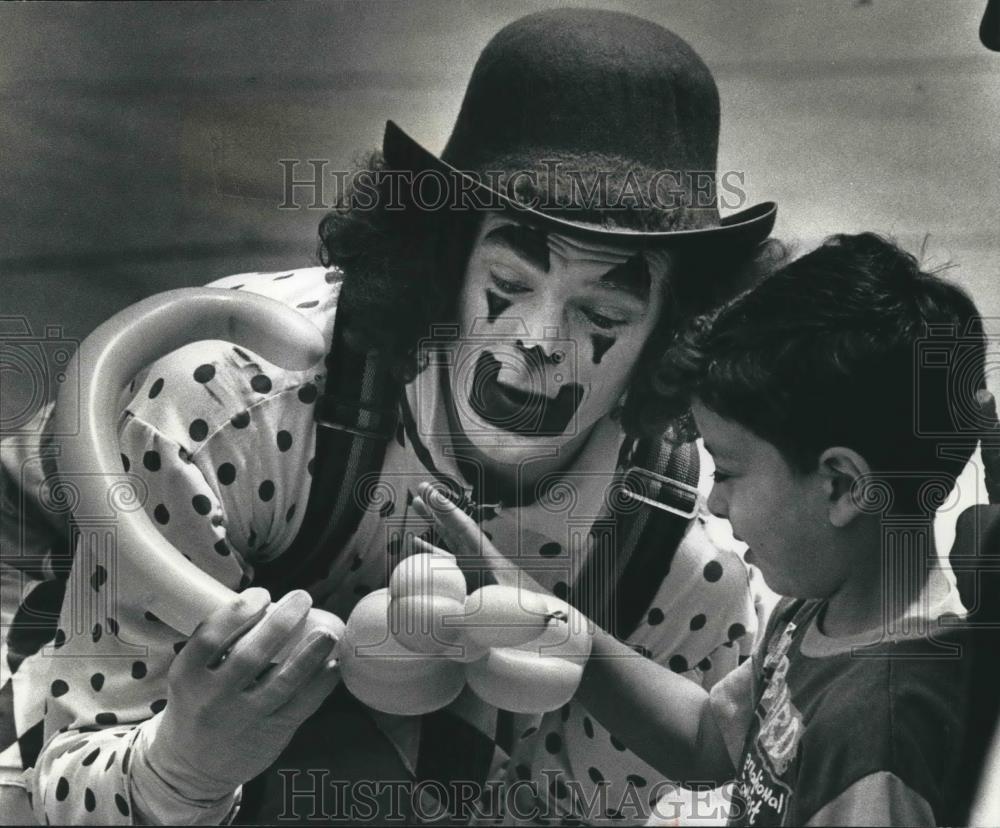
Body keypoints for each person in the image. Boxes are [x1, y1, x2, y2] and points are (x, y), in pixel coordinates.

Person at [0, 9, 782, 825]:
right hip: (45, 565)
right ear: (444, 264)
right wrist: (182, 769)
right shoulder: (230, 399)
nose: (542, 343)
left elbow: (562, 814)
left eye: (602, 319)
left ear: (673, 334)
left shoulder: (687, 565)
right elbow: (77, 769)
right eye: (508, 288)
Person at [420, 232, 988, 826]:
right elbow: (707, 740)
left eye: (731, 471)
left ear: (842, 486)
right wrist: (536, 609)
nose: (713, 503)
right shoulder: (822, 615)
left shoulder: (878, 738)